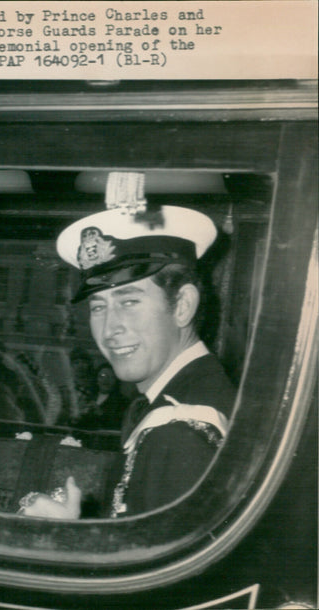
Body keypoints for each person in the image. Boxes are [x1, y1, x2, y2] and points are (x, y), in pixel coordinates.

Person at [20, 205, 235, 519]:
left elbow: (171, 568)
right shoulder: (185, 395)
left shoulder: (181, 433)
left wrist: (64, 539)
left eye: (130, 302)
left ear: (183, 306)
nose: (108, 330)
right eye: (98, 308)